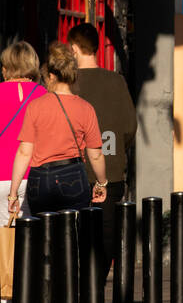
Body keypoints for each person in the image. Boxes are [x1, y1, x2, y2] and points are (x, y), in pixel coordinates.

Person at [68, 23, 137, 283]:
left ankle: (79, 300)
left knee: (73, 241)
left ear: (74, 48)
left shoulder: (68, 83)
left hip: (72, 172)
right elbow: (130, 128)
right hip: (110, 171)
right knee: (104, 242)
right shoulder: (116, 81)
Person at [8, 42, 108, 218]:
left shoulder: (35, 106)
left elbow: (24, 152)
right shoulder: (85, 108)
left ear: (50, 75)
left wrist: (13, 193)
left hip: (39, 179)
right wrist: (101, 183)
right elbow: (96, 154)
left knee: (43, 235)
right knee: (73, 235)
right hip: (72, 175)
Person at [0, 42, 45, 225]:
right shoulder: (43, 94)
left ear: (6, 67)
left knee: (5, 238)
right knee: (32, 238)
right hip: (35, 174)